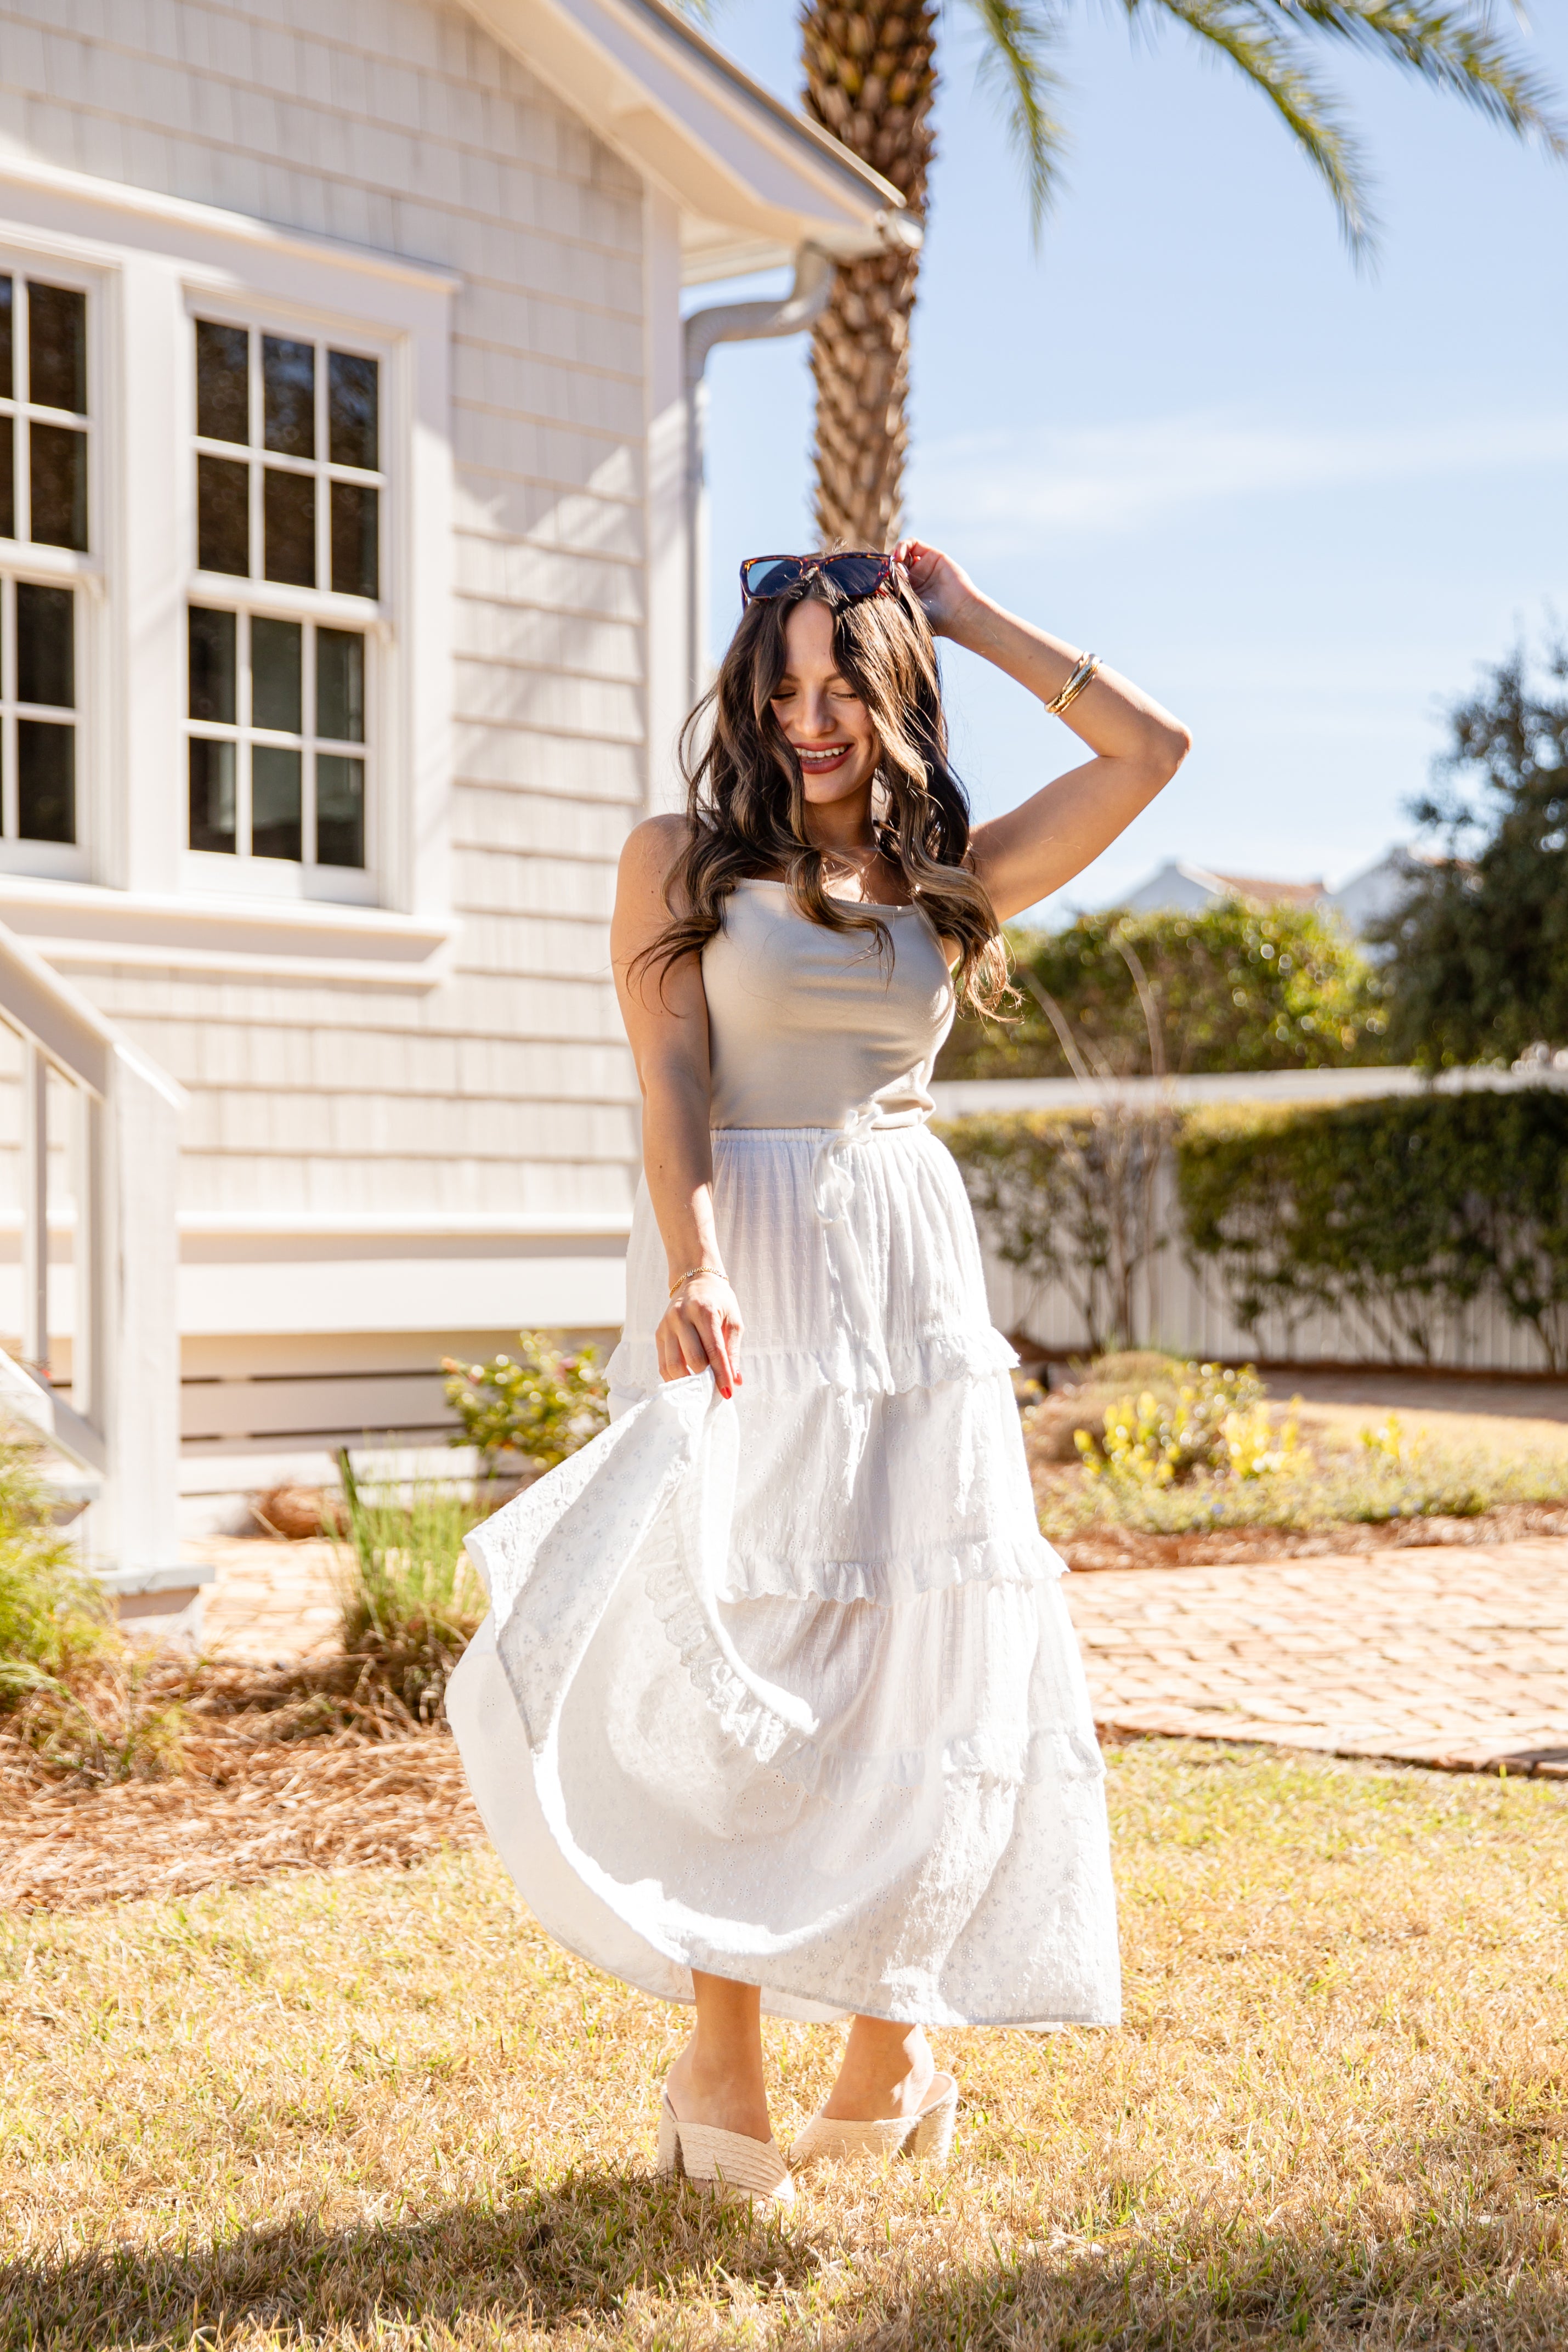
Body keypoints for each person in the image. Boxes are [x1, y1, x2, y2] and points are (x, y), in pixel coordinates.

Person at [445, 540, 1189, 2207]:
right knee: (752, 1634)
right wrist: (695, 1259)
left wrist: (978, 613)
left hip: (912, 1284)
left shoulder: (949, 884)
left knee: (916, 1653)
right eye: (779, 689)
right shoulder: (678, 864)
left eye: (838, 686)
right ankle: (720, 2044)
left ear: (891, 693)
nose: (806, 719)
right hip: (749, 1263)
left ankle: (891, 2036)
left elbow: (1151, 756)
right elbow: (672, 1078)